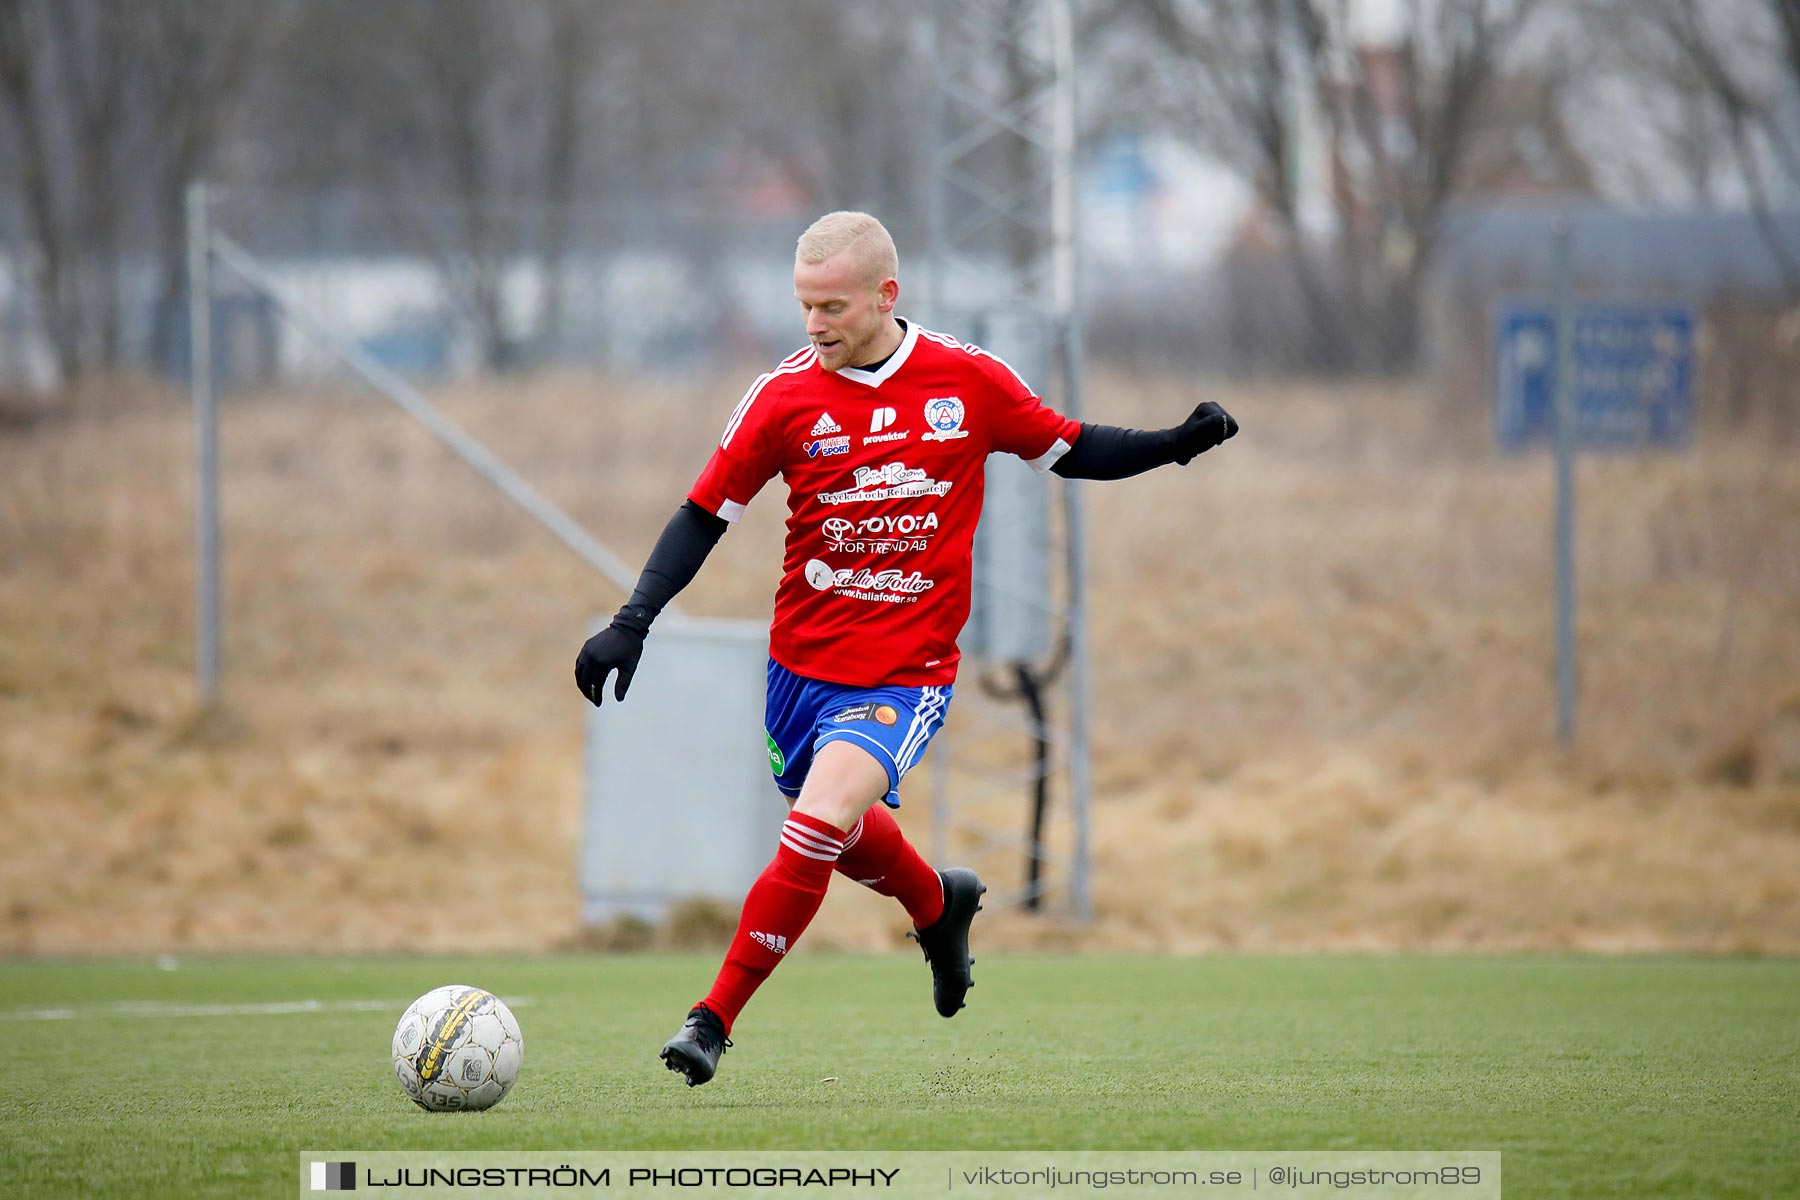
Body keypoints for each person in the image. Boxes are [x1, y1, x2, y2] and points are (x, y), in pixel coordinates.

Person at [575, 211, 1238, 1087]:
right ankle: (937, 902)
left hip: (905, 673)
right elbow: (704, 513)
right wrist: (634, 619)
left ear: (887, 295)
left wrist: (1174, 447)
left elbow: (1072, 449)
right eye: (804, 307)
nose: (815, 326)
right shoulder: (783, 396)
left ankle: (711, 1020)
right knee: (836, 833)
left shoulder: (966, 382)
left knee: (812, 828)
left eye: (833, 308)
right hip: (798, 671)